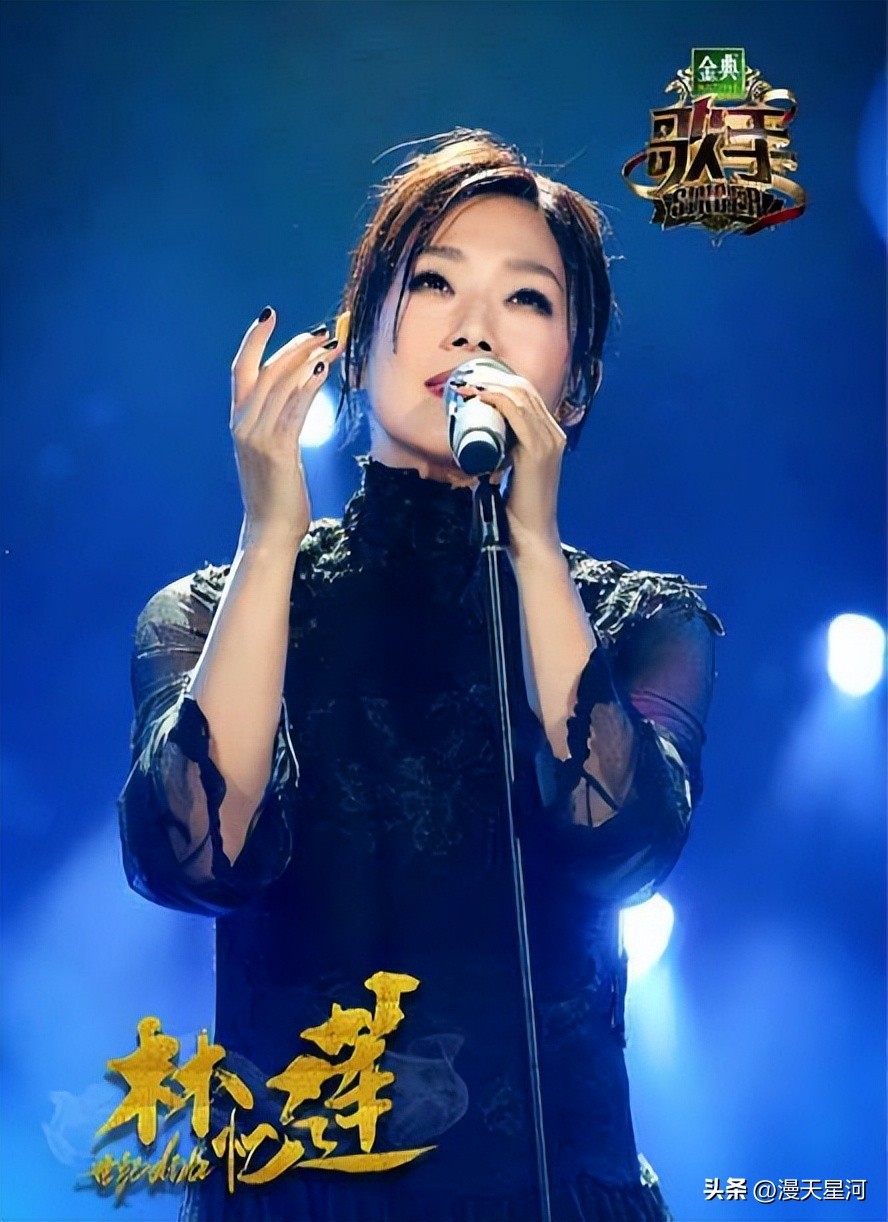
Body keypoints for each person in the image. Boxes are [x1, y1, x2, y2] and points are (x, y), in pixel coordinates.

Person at [118, 128, 724, 1222]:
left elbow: (622, 848)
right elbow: (198, 860)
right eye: (435, 281)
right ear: (358, 343)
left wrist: (531, 539)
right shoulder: (209, 612)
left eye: (526, 299)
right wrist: (269, 536)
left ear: (575, 385)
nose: (473, 326)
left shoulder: (641, 622)